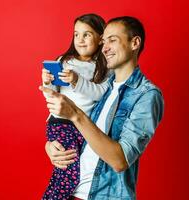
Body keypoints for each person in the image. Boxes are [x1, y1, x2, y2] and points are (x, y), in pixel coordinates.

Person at [40, 16, 164, 200]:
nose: (104, 47)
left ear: (135, 43)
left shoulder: (146, 95)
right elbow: (84, 135)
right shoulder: (104, 86)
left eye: (112, 40)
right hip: (70, 191)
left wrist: (75, 114)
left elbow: (120, 160)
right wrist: (51, 147)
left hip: (103, 195)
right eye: (104, 41)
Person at [41, 14, 110, 200]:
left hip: (84, 125)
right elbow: (51, 94)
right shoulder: (64, 60)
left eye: (87, 34)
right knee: (68, 171)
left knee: (71, 171)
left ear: (100, 38)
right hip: (60, 122)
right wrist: (47, 82)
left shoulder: (103, 66)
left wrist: (77, 80)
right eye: (76, 34)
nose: (80, 39)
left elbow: (100, 93)